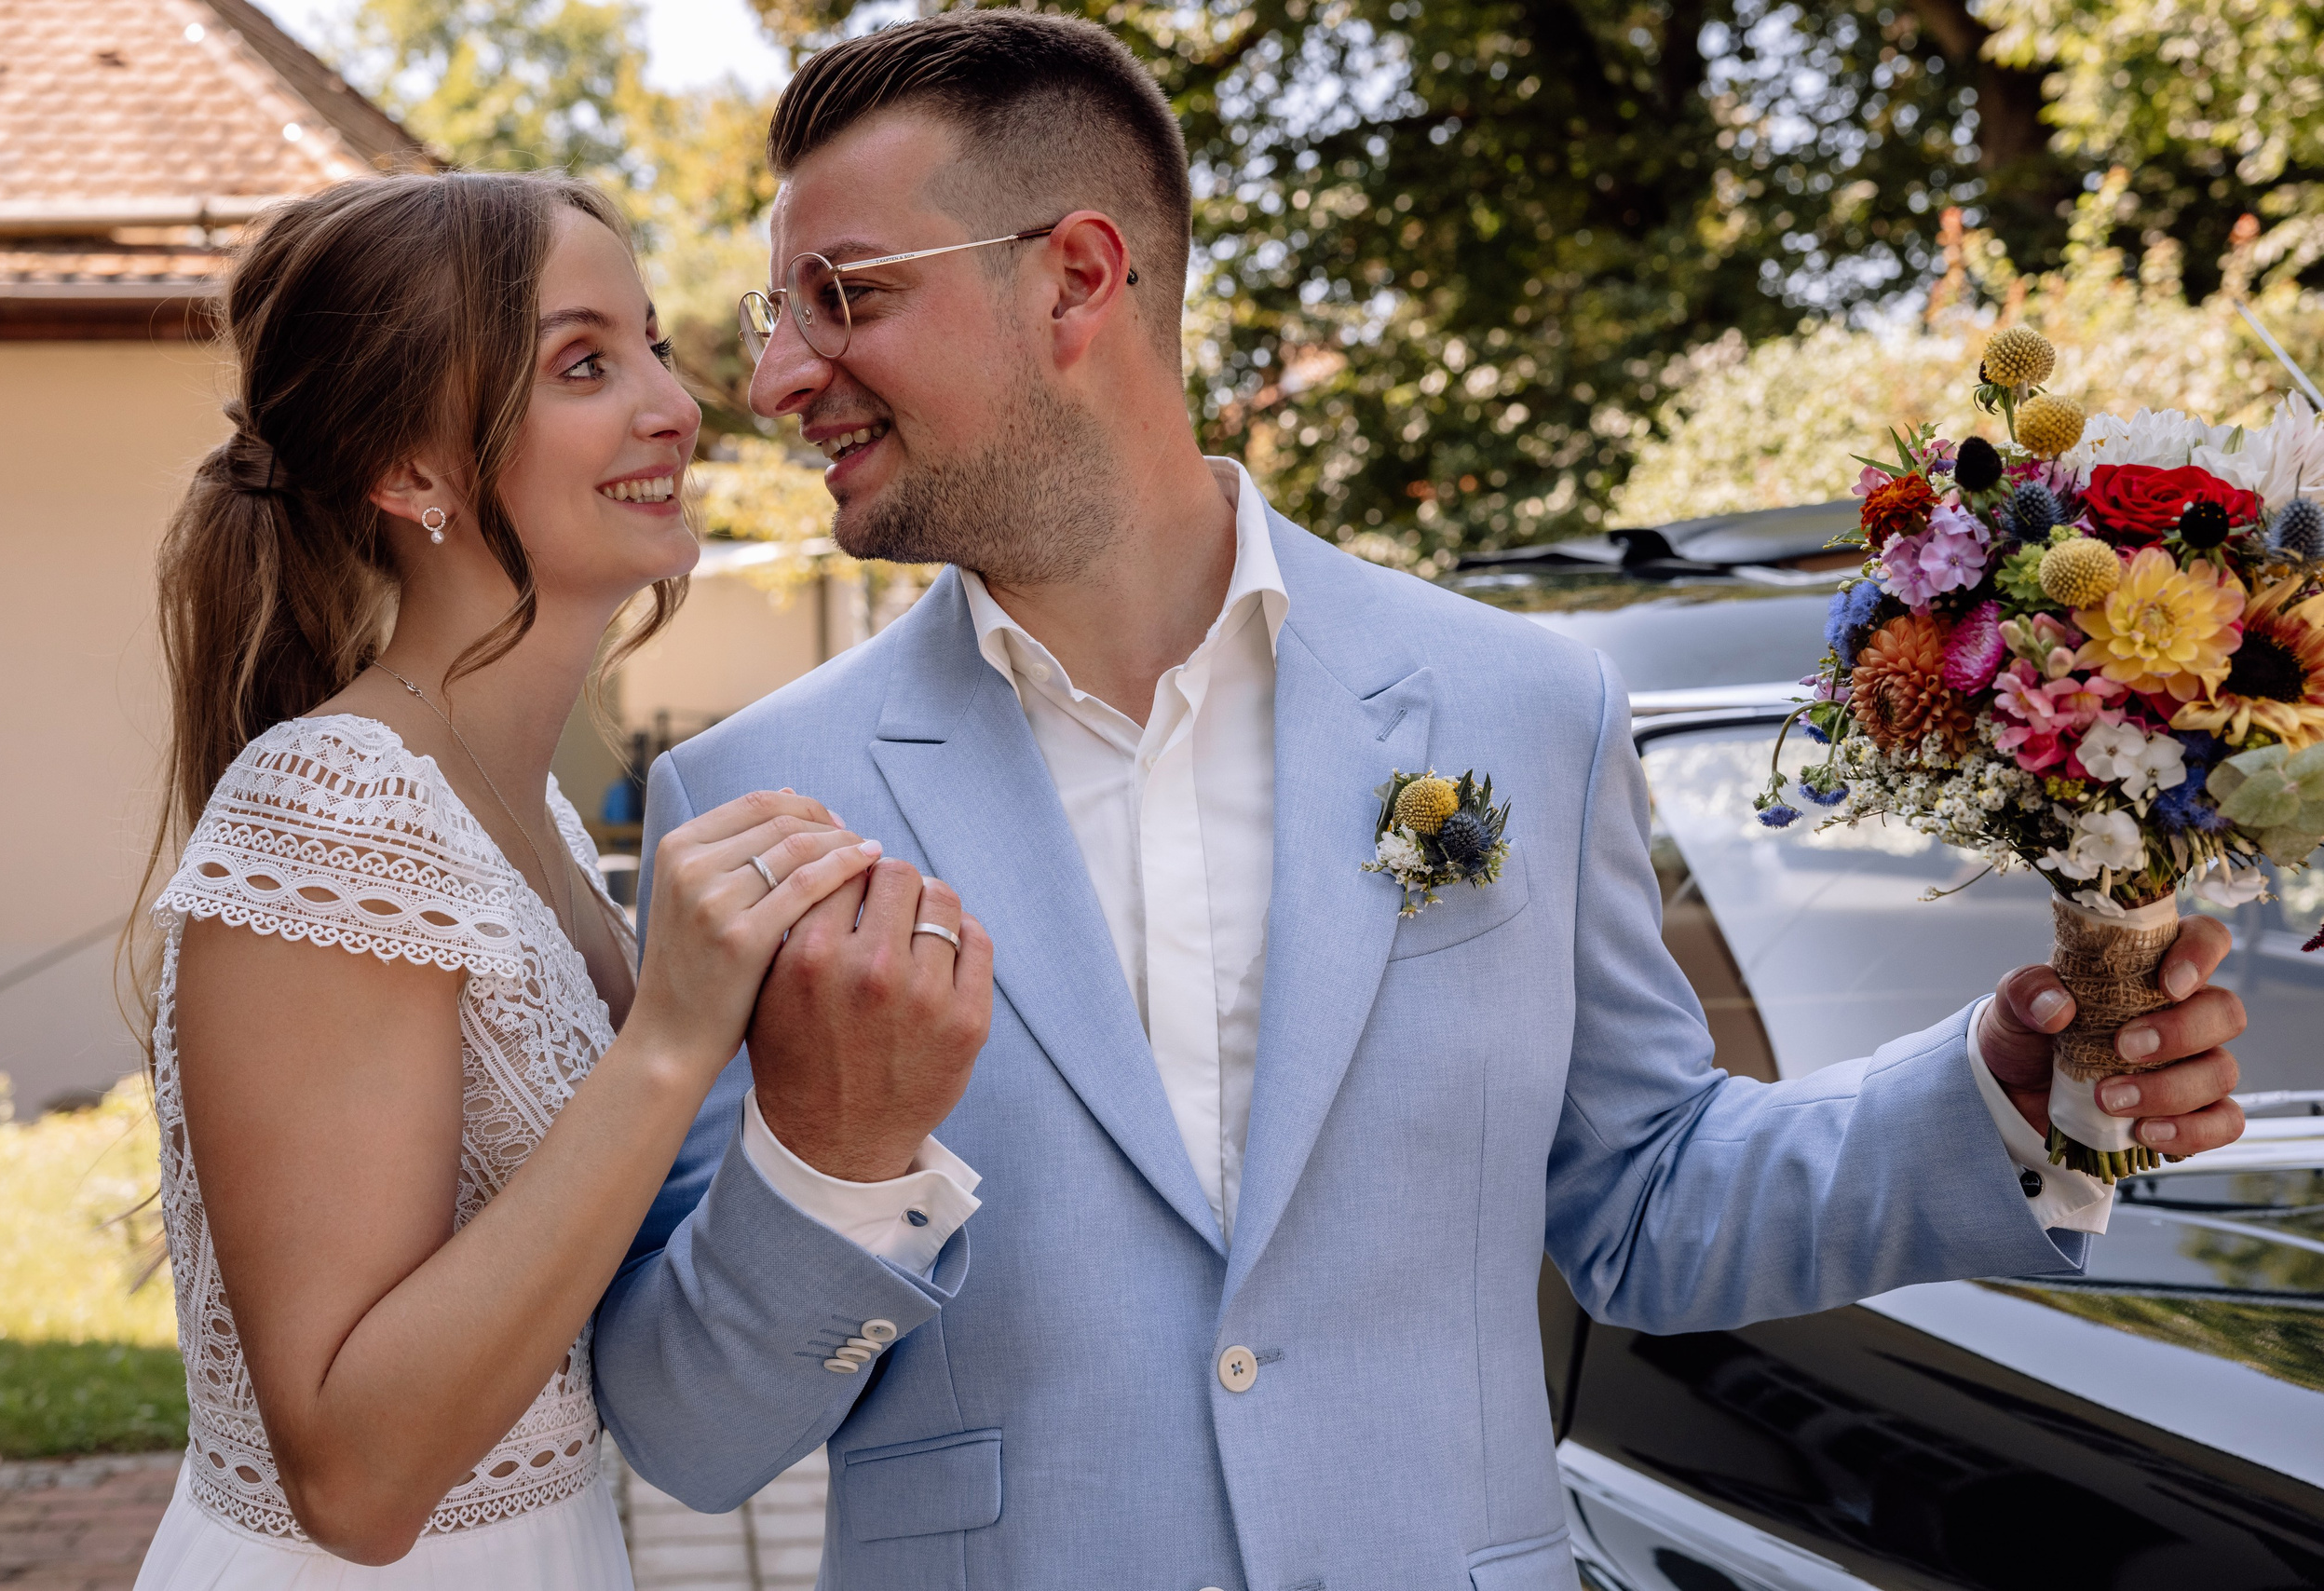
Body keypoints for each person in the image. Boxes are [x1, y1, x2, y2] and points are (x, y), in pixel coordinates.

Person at [594, 13, 2249, 1589]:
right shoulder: (751, 800)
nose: (778, 378)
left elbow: (1645, 1199)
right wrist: (829, 1161)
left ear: (1077, 279)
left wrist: (1997, 1094)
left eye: (845, 295)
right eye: (775, 314)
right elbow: (686, 1431)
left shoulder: (1519, 704)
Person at [128, 170, 968, 1587]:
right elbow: (352, 1479)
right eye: (586, 363)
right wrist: (674, 1037)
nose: (675, 403)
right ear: (412, 474)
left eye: (649, 342)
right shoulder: (334, 810)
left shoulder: (529, 816)